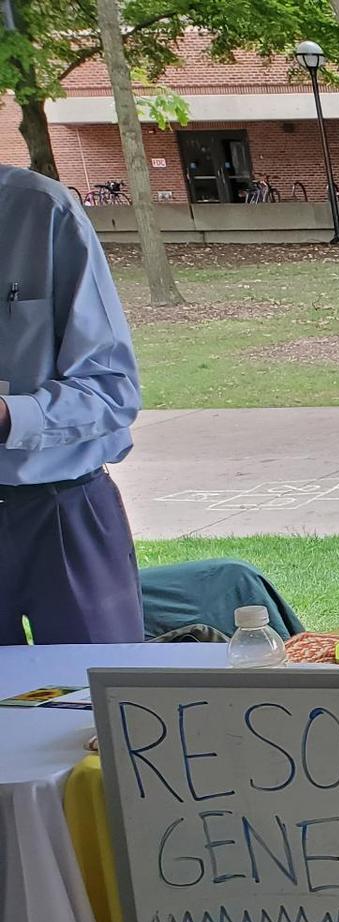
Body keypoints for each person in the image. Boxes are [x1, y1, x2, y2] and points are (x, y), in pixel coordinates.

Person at [0, 164, 144, 645]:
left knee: (101, 697)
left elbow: (112, 389)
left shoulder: (42, 211)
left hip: (62, 508)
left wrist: (8, 416)